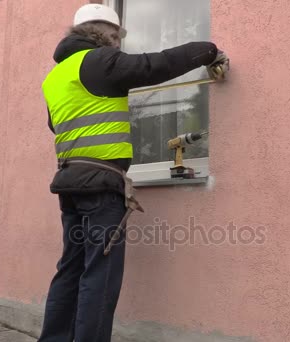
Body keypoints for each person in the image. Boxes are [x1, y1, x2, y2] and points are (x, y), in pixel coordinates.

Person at [38, 4, 228, 342]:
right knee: (100, 275)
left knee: (70, 270)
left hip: (71, 185)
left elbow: (56, 125)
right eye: (114, 37)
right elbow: (151, 66)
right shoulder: (97, 61)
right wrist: (207, 51)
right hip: (100, 188)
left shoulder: (55, 77)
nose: (117, 44)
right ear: (100, 33)